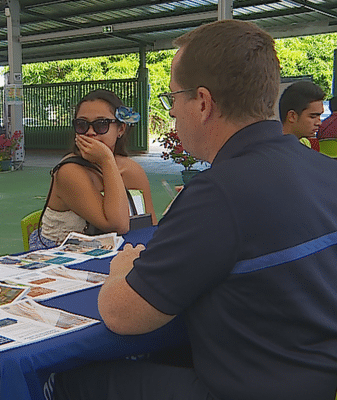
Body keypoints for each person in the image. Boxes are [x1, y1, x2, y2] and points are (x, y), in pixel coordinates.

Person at [54, 20, 337, 400]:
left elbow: (122, 316)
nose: (171, 112)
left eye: (173, 98)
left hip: (244, 389)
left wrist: (121, 270)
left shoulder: (219, 193)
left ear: (202, 103)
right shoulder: (325, 170)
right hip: (317, 380)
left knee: (67, 379)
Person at [28, 89, 155, 250]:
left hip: (118, 250)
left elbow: (151, 226)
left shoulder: (132, 170)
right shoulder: (70, 171)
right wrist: (106, 160)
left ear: (121, 129)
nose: (90, 132)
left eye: (101, 125)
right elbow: (117, 225)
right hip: (60, 254)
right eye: (82, 125)